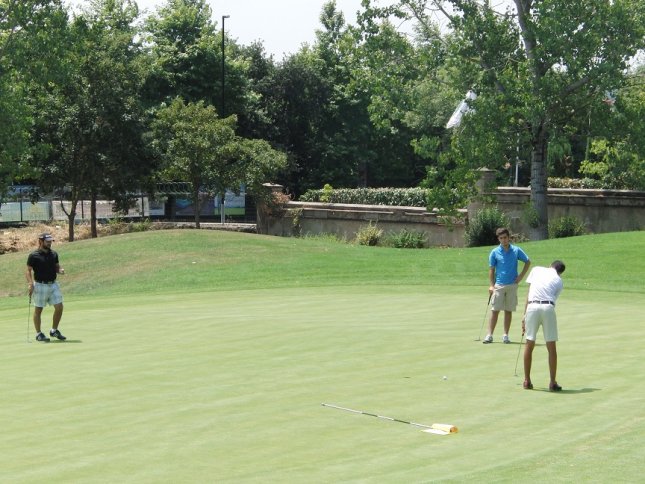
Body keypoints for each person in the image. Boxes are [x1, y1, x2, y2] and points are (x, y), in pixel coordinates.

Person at [521, 260, 566, 391]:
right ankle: (552, 382)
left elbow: (529, 295)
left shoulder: (536, 269)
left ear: (550, 265)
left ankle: (527, 381)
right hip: (548, 307)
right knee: (551, 346)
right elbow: (553, 299)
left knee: (529, 343)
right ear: (560, 272)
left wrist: (524, 316)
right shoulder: (559, 281)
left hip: (532, 306)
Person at [483, 227, 530, 344]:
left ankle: (505, 335)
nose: (503, 240)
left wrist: (520, 277)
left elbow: (528, 262)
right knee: (495, 310)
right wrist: (491, 285)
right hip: (499, 285)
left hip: (512, 285)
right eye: (501, 238)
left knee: (508, 310)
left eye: (505, 238)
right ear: (498, 239)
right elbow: (491, 269)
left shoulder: (516, 250)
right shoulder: (494, 252)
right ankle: (489, 335)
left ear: (509, 238)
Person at [26, 233, 67, 342]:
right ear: (41, 241)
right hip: (40, 285)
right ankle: (39, 334)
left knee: (59, 307)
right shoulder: (33, 255)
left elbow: (57, 267)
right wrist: (30, 283)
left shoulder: (54, 254)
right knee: (38, 310)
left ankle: (54, 330)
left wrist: (60, 270)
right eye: (47, 241)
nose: (49, 243)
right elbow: (28, 270)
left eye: (50, 241)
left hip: (53, 284)